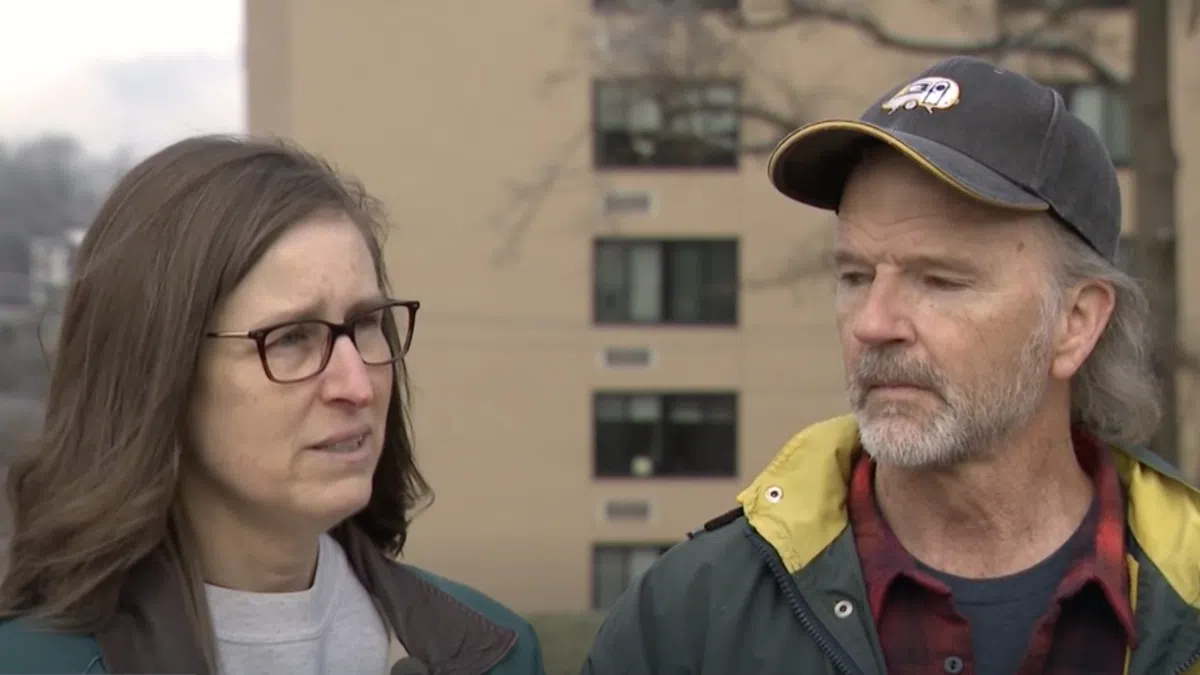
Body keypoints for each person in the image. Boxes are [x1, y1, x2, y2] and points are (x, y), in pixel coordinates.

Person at [581, 56, 1200, 675]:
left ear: (1076, 322)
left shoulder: (1184, 601)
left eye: (940, 280)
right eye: (855, 276)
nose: (872, 323)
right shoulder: (692, 617)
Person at [0, 135, 546, 675]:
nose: (356, 385)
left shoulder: (489, 653)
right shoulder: (33, 662)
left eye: (364, 325)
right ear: (160, 372)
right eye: (290, 339)